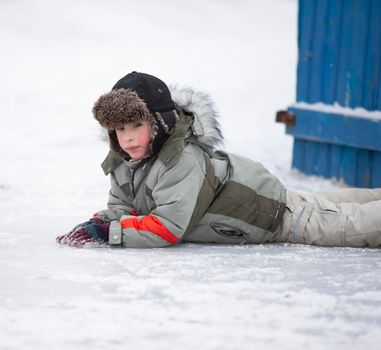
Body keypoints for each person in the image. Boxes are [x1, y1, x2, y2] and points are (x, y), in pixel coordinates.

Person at [56, 71, 381, 248]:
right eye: (119, 128)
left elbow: (167, 227)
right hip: (262, 195)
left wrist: (110, 234)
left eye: (136, 125)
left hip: (271, 215)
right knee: (331, 202)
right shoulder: (124, 161)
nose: (127, 138)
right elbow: (124, 209)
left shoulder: (178, 161)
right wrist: (100, 222)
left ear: (160, 124)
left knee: (345, 223)